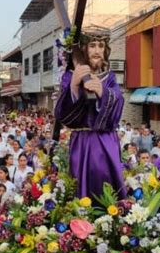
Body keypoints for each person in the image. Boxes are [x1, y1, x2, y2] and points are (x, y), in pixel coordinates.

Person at [54, 26, 126, 200]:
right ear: (84, 49)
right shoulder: (70, 75)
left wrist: (103, 92)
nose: (97, 51)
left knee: (109, 186)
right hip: (83, 143)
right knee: (81, 186)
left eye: (101, 46)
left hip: (107, 141)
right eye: (92, 45)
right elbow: (62, 115)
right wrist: (74, 86)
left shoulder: (109, 77)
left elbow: (118, 102)